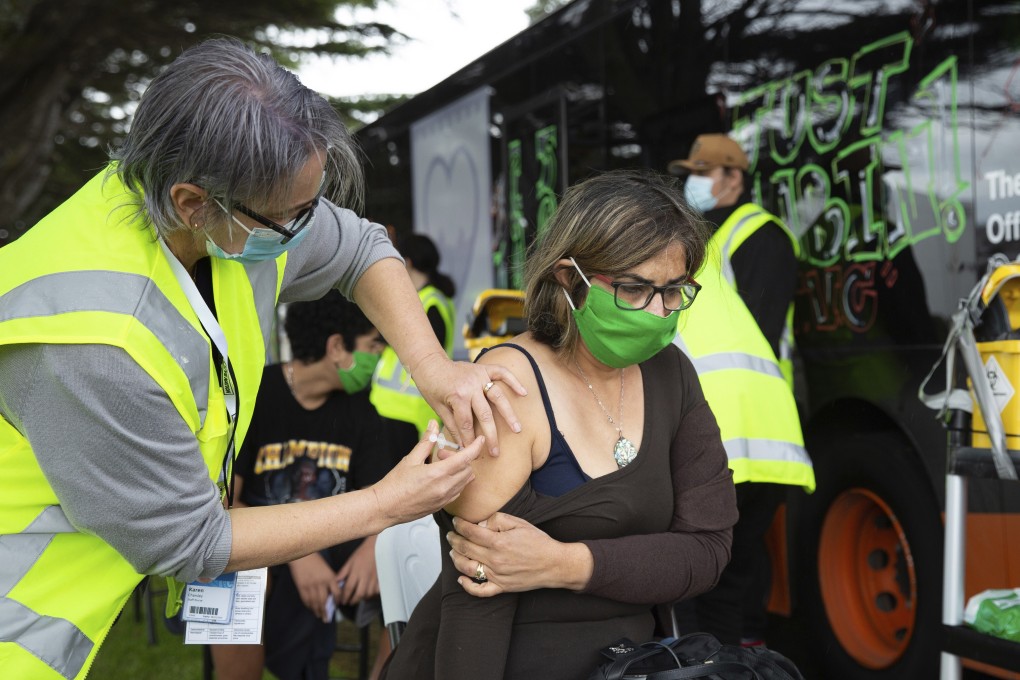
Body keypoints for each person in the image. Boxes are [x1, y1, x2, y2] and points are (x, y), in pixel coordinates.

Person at [0, 37, 525, 680]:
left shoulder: (218, 216)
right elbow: (192, 542)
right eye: (291, 218)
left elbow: (362, 249)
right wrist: (384, 505)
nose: (309, 231)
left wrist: (436, 368)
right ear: (191, 202)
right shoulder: (92, 345)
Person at [381, 169, 739, 680]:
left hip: (634, 666)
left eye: (675, 291)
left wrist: (561, 563)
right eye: (635, 290)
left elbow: (706, 552)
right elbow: (478, 598)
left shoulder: (672, 375)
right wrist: (629, 563)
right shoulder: (507, 386)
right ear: (569, 279)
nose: (659, 313)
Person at [664, 132, 816, 646]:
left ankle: (736, 657)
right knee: (732, 566)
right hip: (749, 423)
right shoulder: (702, 238)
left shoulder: (760, 235)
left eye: (704, 172)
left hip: (743, 418)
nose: (694, 183)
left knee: (723, 570)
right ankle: (744, 655)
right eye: (692, 172)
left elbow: (758, 332)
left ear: (735, 177)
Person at [211, 292, 395, 680]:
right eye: (373, 344)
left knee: (411, 568)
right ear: (336, 347)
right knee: (237, 575)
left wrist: (375, 546)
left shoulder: (362, 411)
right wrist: (296, 552)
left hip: (337, 553)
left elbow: (388, 501)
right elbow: (223, 507)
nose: (379, 356)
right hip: (261, 548)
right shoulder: (256, 395)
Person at [371, 232, 458, 447]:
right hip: (392, 412)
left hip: (409, 416)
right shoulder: (421, 297)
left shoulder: (431, 301)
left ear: (407, 262)